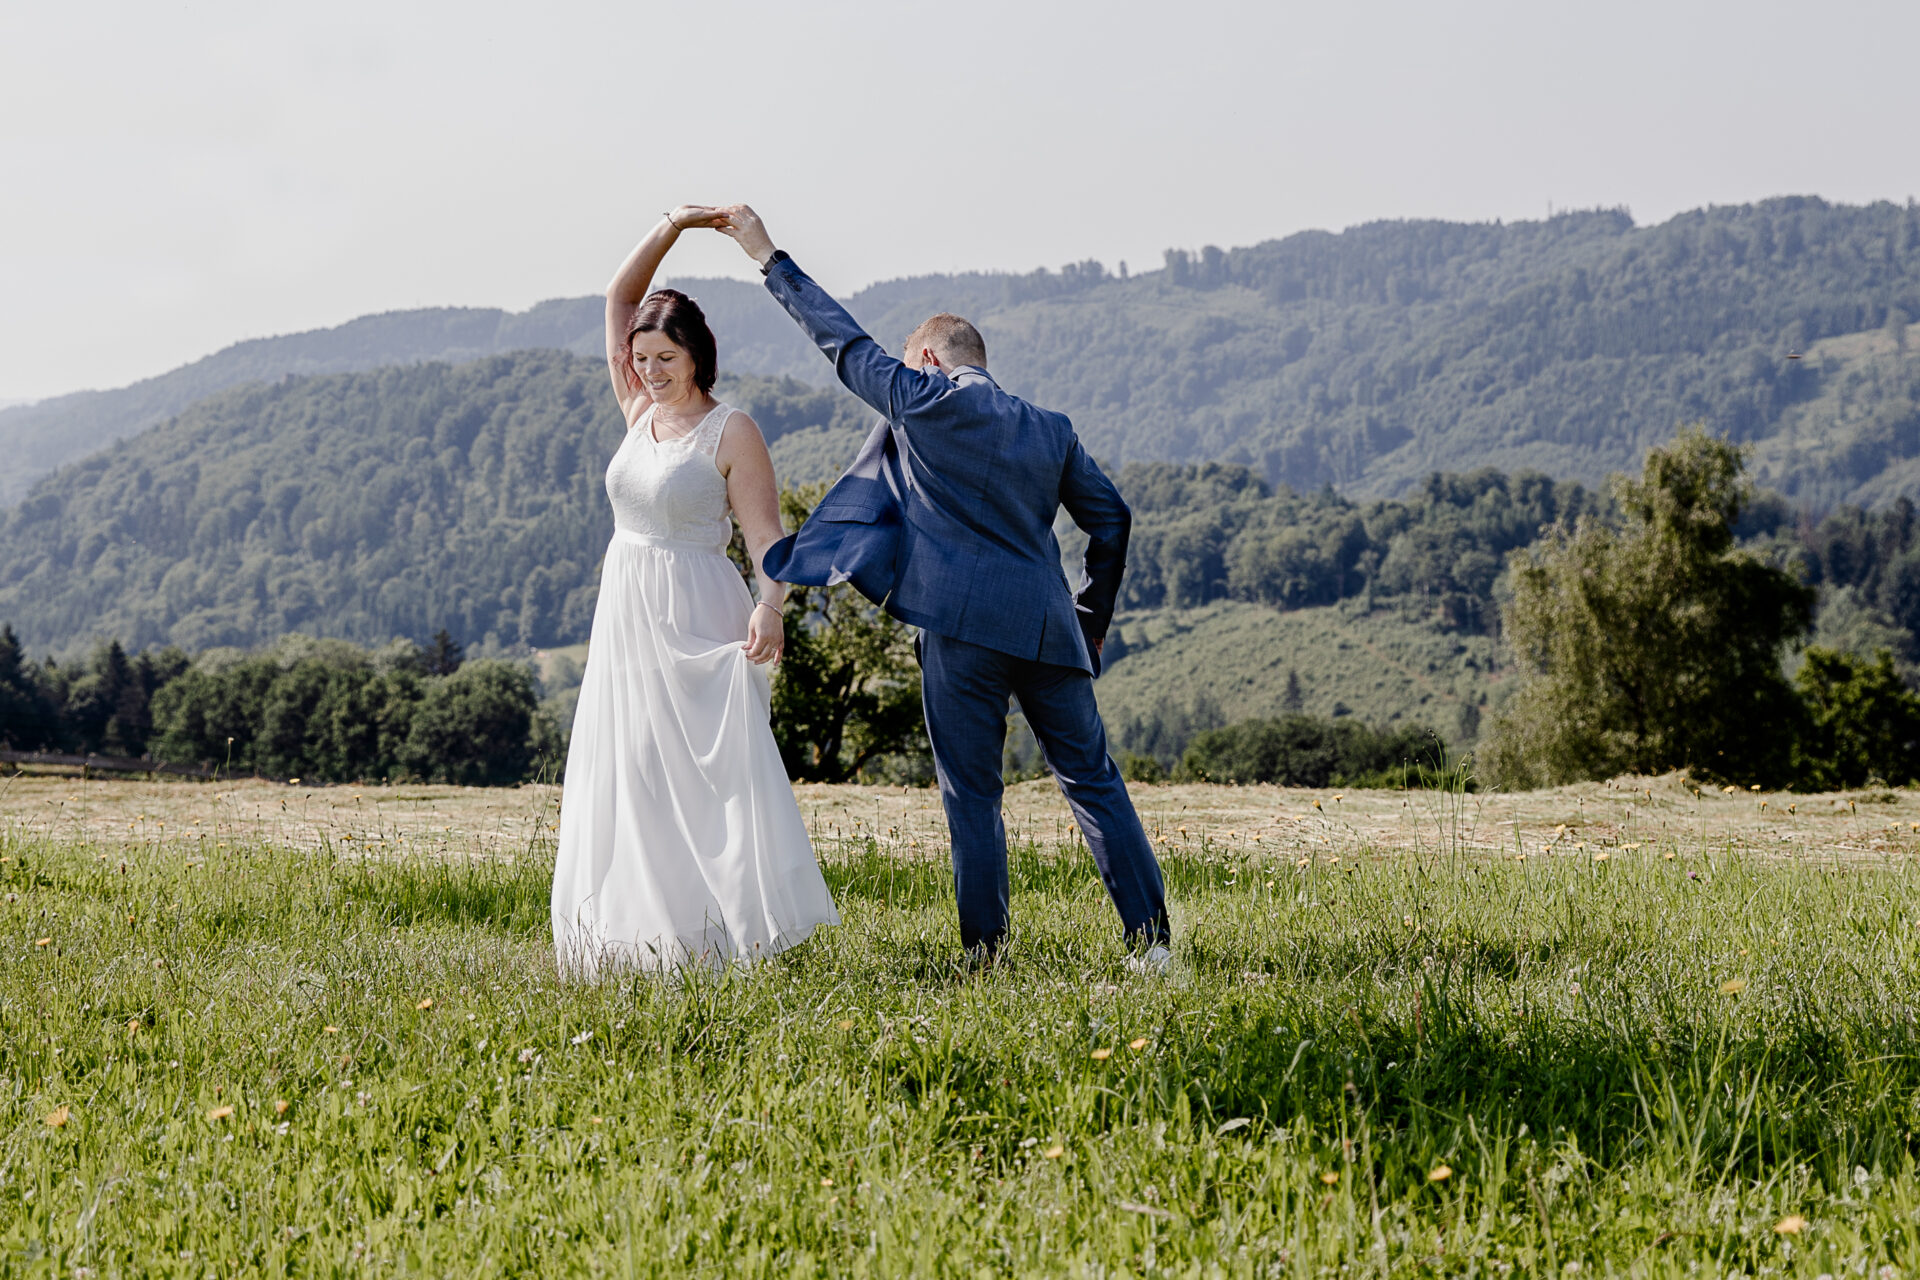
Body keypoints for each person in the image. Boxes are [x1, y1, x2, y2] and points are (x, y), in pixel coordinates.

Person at [708, 204, 1172, 973]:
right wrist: (1088, 619)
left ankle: (987, 958)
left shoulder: (922, 399)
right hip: (1051, 629)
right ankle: (1152, 949)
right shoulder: (1051, 427)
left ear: (923, 358)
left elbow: (841, 342)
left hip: (959, 634)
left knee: (974, 798)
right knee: (1094, 782)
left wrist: (768, 258)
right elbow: (1112, 521)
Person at [550, 206, 838, 978]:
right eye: (640, 357)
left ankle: (725, 938)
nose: (648, 369)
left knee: (707, 780)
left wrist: (771, 606)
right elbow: (617, 298)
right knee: (635, 772)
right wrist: (673, 225)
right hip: (627, 615)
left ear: (696, 355)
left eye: (664, 356)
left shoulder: (730, 429)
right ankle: (644, 942)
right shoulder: (637, 412)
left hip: (701, 612)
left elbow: (771, 538)